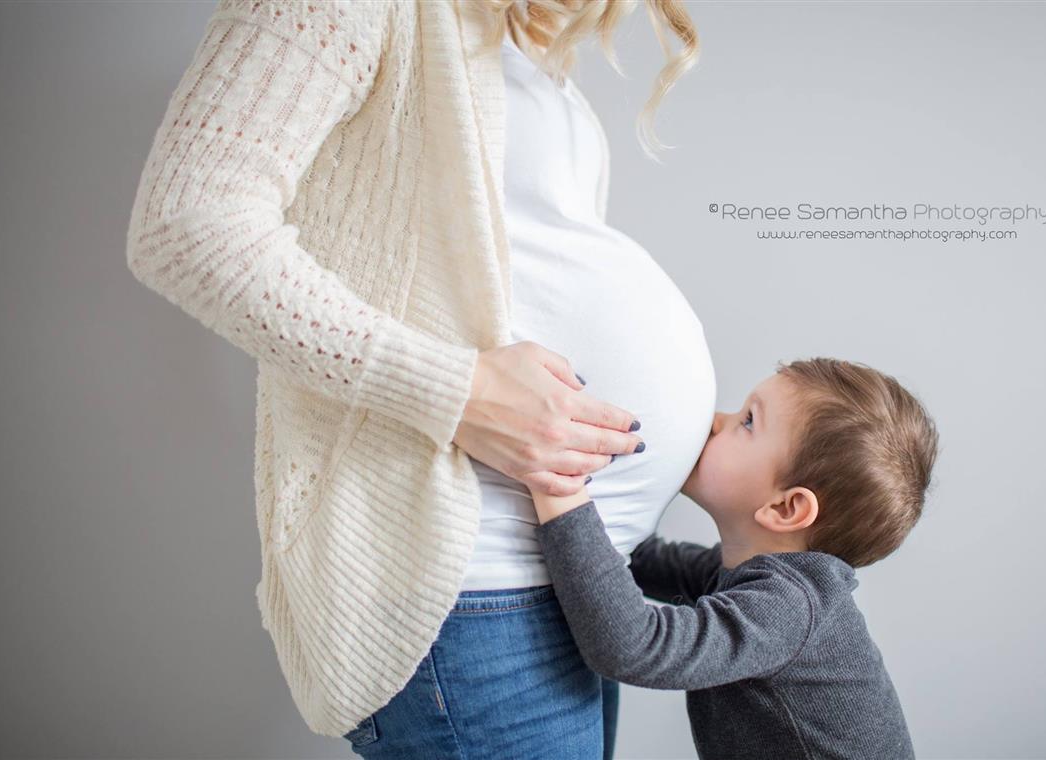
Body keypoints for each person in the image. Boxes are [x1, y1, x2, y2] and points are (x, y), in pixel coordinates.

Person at [124, 0, 704, 756]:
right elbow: (186, 223)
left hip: (578, 577)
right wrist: (459, 391)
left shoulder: (513, 39)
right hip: (470, 588)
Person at [528, 358, 941, 759]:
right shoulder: (758, 580)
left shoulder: (789, 609)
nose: (714, 421)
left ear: (785, 508)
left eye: (747, 421)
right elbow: (639, 561)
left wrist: (559, 482)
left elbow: (634, 646)